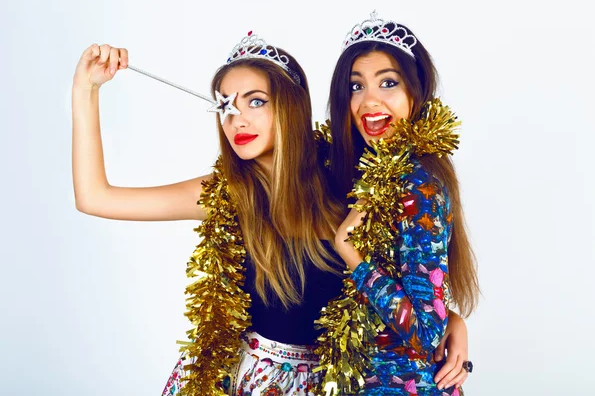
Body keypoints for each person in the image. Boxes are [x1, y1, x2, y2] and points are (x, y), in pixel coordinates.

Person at [71, 32, 469, 396]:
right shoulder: (228, 193)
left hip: (341, 383)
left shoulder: (348, 175)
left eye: (256, 101)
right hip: (252, 382)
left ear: (291, 107)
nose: (237, 119)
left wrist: (451, 319)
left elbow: (400, 275)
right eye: (225, 105)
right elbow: (95, 197)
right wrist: (85, 91)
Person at [322, 12, 480, 395]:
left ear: (416, 92)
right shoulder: (352, 173)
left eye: (388, 83)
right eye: (356, 87)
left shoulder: (419, 184)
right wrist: (454, 318)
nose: (369, 101)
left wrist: (352, 253)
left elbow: (425, 334)